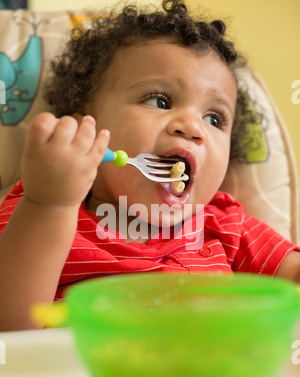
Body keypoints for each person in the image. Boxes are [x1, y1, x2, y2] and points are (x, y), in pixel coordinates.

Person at [0, 0, 299, 331]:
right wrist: (51, 203)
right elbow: (10, 328)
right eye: (160, 101)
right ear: (85, 129)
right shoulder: (40, 205)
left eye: (214, 118)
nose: (192, 127)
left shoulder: (227, 226)